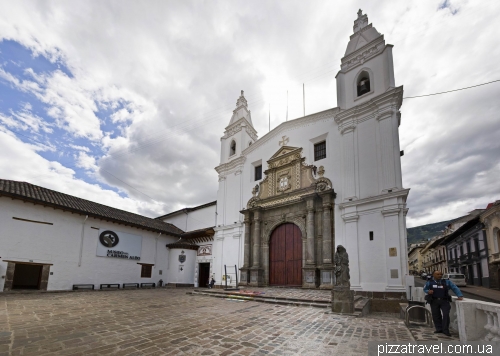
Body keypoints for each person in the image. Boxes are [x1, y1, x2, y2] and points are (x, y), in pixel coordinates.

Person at [423, 270, 464, 336]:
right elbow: (425, 289)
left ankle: (445, 330)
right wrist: (428, 291)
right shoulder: (430, 282)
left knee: (446, 314)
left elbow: (454, 288)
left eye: (440, 274)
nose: (439, 275)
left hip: (444, 300)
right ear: (433, 275)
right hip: (434, 301)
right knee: (436, 315)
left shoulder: (446, 282)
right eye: (437, 274)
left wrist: (459, 295)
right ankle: (439, 328)